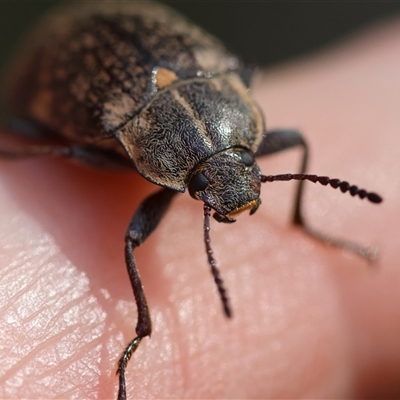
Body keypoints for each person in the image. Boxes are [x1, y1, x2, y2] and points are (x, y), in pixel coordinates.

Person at [0, 16, 398, 399]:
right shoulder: (123, 123)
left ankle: (301, 221)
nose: (235, 193)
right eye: (203, 183)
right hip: (62, 48)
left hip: (138, 36)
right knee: (129, 236)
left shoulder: (226, 87)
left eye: (245, 162)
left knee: (295, 139)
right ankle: (143, 329)